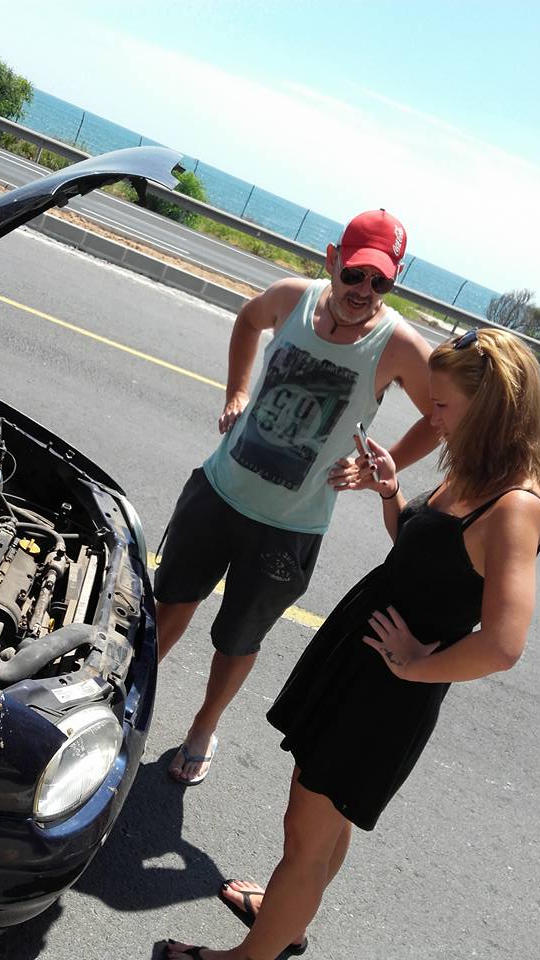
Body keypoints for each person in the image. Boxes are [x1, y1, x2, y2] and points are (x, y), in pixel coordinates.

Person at [165, 327, 540, 959]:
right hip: (365, 664)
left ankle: (251, 954)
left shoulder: (515, 507)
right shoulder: (477, 473)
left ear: (490, 408)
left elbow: (504, 644)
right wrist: (392, 492)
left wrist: (415, 665)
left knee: (305, 833)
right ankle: (288, 918)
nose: (433, 419)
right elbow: (422, 556)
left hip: (385, 693)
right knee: (326, 821)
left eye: (443, 407)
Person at [155, 209, 440, 786]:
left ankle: (203, 727)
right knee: (170, 606)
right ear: (333, 259)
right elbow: (248, 319)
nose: (363, 290)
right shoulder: (291, 298)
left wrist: (382, 465)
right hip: (219, 491)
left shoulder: (399, 346)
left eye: (380, 282)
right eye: (355, 273)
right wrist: (236, 392)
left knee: (237, 640)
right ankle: (127, 693)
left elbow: (441, 417)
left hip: (289, 529)